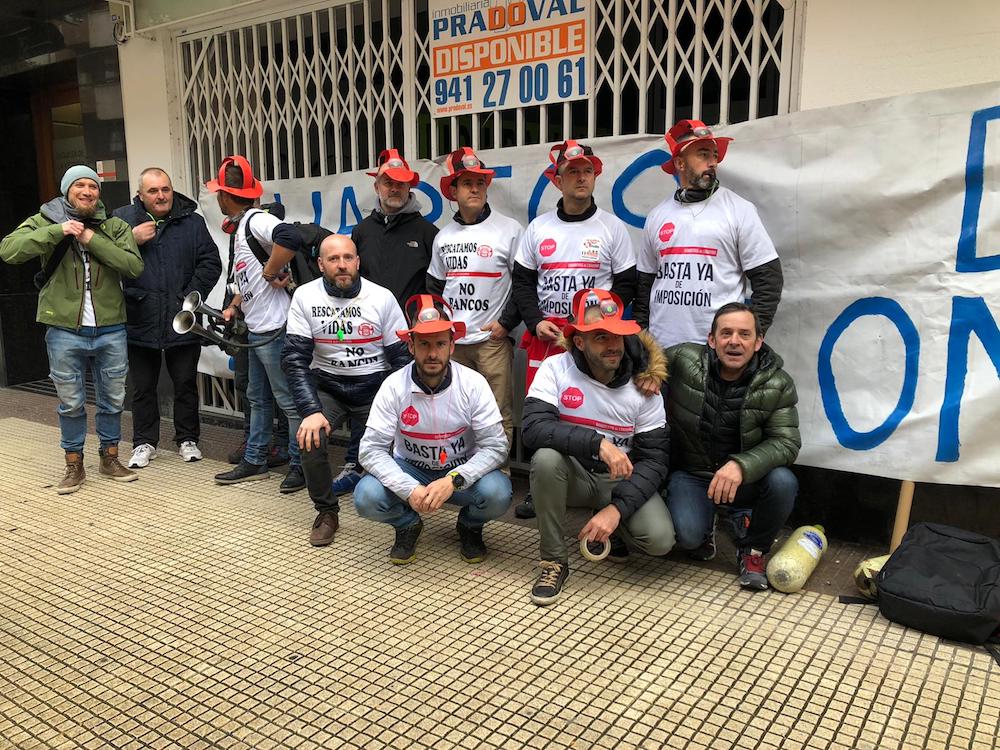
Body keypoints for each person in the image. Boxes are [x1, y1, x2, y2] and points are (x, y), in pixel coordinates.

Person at [510, 139, 638, 518]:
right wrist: (535, 321)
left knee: (588, 408)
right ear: (557, 180)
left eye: (587, 171)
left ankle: (595, 484)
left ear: (595, 176)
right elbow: (522, 283)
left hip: (594, 339)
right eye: (572, 172)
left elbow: (627, 283)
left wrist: (599, 324)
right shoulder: (538, 228)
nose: (581, 177)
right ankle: (541, 488)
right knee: (543, 413)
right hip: (548, 337)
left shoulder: (612, 227)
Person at [521, 289, 673, 606]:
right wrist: (597, 443)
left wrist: (616, 510)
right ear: (579, 342)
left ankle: (612, 527)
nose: (612, 345)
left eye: (617, 335)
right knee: (545, 459)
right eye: (601, 337)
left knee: (659, 540)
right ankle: (553, 562)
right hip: (573, 474)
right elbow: (533, 429)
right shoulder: (555, 368)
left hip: (619, 479)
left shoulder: (645, 384)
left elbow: (655, 460)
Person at [0, 165, 144, 492]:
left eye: (92, 186)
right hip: (63, 328)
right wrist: (58, 231)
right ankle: (74, 464)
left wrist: (91, 239)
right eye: (79, 185)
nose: (87, 191)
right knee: (71, 401)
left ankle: (109, 458)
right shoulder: (47, 220)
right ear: (67, 190)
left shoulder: (115, 226)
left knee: (113, 399)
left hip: (110, 327)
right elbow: (9, 249)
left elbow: (133, 266)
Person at [354, 295, 512, 564]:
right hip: (411, 469)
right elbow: (370, 450)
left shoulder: (473, 384)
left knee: (498, 493)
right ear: (410, 346)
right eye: (424, 344)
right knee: (365, 497)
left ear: (452, 345)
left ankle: (470, 525)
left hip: (459, 469)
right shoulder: (393, 386)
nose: (432, 353)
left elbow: (497, 446)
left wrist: (454, 480)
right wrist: (407, 488)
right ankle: (407, 524)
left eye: (440, 343)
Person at [282, 234, 411, 546]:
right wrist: (310, 411)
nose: (342, 265)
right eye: (333, 259)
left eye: (348, 258)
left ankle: (403, 511)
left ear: (358, 261)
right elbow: (294, 359)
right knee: (309, 438)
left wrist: (399, 407)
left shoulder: (381, 297)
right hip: (329, 388)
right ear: (320, 264)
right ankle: (327, 512)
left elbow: (401, 360)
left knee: (403, 441)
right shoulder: (305, 296)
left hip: (375, 388)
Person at [664, 302, 800, 590]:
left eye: (744, 334)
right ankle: (707, 528)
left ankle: (753, 550)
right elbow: (640, 356)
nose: (734, 341)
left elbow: (786, 442)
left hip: (745, 481)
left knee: (783, 481)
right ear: (712, 340)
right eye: (726, 333)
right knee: (689, 539)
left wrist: (741, 465)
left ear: (758, 342)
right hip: (693, 474)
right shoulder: (683, 359)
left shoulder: (778, 383)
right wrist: (649, 376)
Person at [635, 119, 784, 350]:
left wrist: (748, 337)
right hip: (661, 351)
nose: (712, 162)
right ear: (680, 163)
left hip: (717, 352)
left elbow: (769, 280)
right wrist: (643, 342)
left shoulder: (739, 210)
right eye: (703, 154)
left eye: (714, 155)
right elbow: (644, 286)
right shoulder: (657, 215)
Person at [206, 155, 306, 493]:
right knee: (258, 398)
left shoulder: (256, 220)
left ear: (225, 195)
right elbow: (246, 279)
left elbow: (289, 236)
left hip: (275, 329)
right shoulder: (241, 228)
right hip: (257, 329)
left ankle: (300, 465)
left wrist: (270, 270)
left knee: (287, 401)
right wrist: (235, 305)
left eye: (218, 193)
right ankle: (255, 460)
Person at [112, 167, 222, 468]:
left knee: (185, 383)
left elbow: (211, 262)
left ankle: (188, 439)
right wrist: (130, 240)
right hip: (139, 316)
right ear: (140, 195)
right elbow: (105, 258)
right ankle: (144, 443)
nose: (161, 196)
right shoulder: (122, 220)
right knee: (142, 387)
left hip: (182, 318)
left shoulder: (192, 221)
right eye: (153, 191)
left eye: (165, 189)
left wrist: (189, 298)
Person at [427, 146, 521, 453]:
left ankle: (499, 473)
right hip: (454, 343)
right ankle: (460, 468)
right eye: (467, 183)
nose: (475, 188)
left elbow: (524, 284)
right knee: (455, 411)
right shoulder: (443, 236)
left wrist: (505, 323)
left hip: (491, 341)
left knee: (497, 414)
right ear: (453, 191)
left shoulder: (509, 230)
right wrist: (443, 328)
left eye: (480, 182)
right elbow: (435, 287)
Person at [352, 148, 438, 304]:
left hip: (412, 318)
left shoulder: (428, 233)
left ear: (409, 187)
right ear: (376, 187)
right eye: (388, 183)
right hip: (370, 318)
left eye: (400, 184)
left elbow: (438, 286)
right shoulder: (361, 231)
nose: (394, 189)